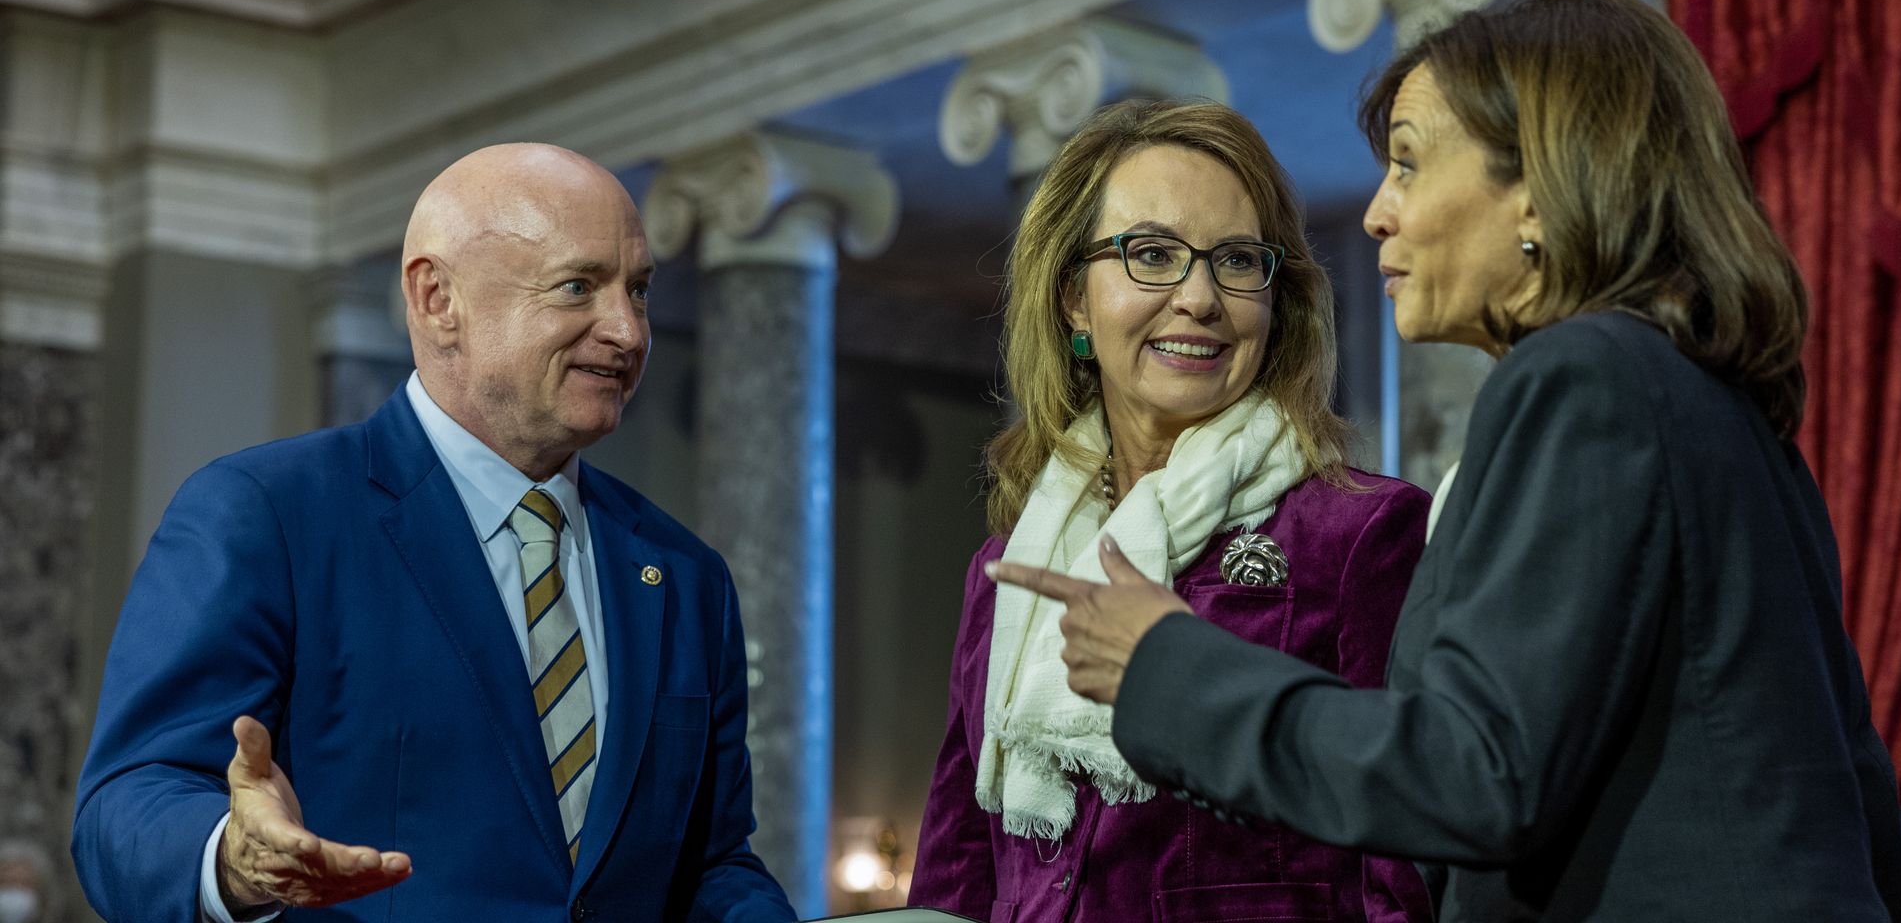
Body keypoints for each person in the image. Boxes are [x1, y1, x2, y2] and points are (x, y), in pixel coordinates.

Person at [992, 0, 1901, 920]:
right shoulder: (1697, 395)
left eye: (1407, 163)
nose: (1376, 215)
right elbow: (1858, 793)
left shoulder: (1585, 377)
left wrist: (1163, 666)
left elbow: (1476, 771)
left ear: (1537, 187)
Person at [71, 144, 796, 923]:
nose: (626, 329)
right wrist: (233, 859)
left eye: (641, 290)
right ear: (437, 297)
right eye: (579, 285)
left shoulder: (683, 574)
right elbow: (128, 800)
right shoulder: (268, 514)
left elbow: (711, 863)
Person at [912, 99, 1433, 922]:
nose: (1199, 297)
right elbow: (958, 872)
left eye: (1235, 261)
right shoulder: (1008, 566)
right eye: (1152, 254)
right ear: (1074, 301)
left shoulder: (1362, 533)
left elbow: (1407, 867)